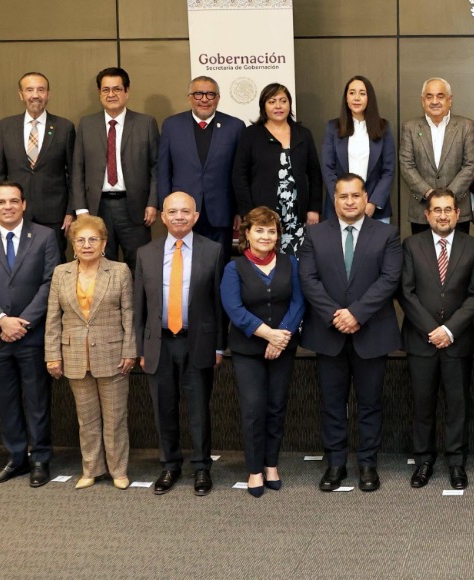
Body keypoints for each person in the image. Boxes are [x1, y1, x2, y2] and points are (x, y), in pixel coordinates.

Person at [298, 174, 402, 492]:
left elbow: (389, 279)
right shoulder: (314, 234)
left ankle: (368, 463)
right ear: (334, 200)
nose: (350, 201)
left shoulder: (387, 234)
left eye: (356, 195)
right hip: (328, 334)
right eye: (343, 196)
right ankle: (336, 464)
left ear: (366, 197)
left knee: (370, 404)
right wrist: (336, 316)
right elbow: (308, 279)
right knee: (332, 404)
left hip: (372, 332)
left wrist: (356, 313)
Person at [0, 181, 61, 487]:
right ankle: (16, 458)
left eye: (14, 201)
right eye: (1, 202)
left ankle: (40, 458)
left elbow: (50, 283)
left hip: (31, 335)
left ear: (24, 204)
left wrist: (22, 322)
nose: (8, 206)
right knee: (6, 401)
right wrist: (2, 320)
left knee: (37, 400)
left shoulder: (44, 236)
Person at [134, 192, 225, 497]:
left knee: (199, 409)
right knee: (164, 408)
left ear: (196, 216)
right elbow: (139, 306)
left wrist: (219, 347)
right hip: (158, 343)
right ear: (162, 217)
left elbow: (218, 304)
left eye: (185, 211)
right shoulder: (145, 253)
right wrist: (140, 349)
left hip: (197, 342)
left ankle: (201, 467)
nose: (179, 217)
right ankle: (170, 465)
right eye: (172, 212)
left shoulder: (213, 250)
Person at [45, 215, 136, 490]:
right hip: (74, 355)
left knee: (115, 418)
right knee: (86, 420)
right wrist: (52, 354)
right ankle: (91, 469)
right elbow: (53, 317)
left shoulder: (119, 271)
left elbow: (129, 313)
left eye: (93, 239)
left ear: (104, 243)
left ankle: (118, 470)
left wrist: (130, 350)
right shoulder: (61, 273)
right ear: (73, 245)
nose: (87, 245)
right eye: (81, 240)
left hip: (113, 354)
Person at [398, 188, 474, 490]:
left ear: (458, 214)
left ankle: (456, 462)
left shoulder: (473, 246)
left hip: (457, 340)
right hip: (421, 339)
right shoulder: (411, 245)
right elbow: (405, 292)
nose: (443, 215)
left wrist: (449, 330)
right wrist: (432, 329)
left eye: (448, 210)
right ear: (427, 214)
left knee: (457, 405)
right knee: (423, 404)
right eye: (437, 210)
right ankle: (423, 461)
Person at [221, 207, 305, 497]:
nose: (266, 236)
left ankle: (271, 465)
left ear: (278, 236)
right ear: (247, 233)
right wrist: (268, 334)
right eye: (259, 230)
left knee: (276, 406)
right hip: (247, 350)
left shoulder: (290, 263)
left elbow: (299, 303)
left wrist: (280, 338)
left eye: (271, 231)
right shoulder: (234, 268)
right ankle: (255, 469)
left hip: (283, 347)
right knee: (253, 408)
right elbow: (233, 309)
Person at [71, 67, 159, 262]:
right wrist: (81, 209)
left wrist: (153, 203)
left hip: (135, 208)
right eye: (106, 90)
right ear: (99, 93)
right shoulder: (86, 124)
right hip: (97, 208)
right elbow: (77, 168)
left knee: (139, 262)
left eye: (117, 89)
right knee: (100, 264)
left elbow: (156, 167)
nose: (111, 94)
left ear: (127, 91)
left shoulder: (145, 123)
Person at [0, 72, 77, 251]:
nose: (35, 95)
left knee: (53, 263)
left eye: (41, 90)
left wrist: (70, 212)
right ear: (21, 94)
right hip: (14, 213)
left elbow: (74, 174)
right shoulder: (5, 126)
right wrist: (0, 207)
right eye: (29, 90)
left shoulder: (64, 127)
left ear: (48, 94)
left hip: (54, 215)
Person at [232, 83, 321, 255]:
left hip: (297, 213)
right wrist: (249, 212)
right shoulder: (251, 134)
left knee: (296, 260)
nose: (278, 106)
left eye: (283, 101)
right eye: (272, 102)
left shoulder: (303, 134)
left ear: (289, 104)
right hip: (262, 214)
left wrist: (313, 208)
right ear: (263, 106)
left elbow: (314, 174)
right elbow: (239, 175)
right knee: (265, 258)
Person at [157, 76, 245, 250]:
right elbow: (164, 171)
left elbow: (239, 173)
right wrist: (165, 208)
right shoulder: (172, 125)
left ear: (218, 98)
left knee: (219, 262)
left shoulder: (235, 126)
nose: (204, 99)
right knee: (183, 261)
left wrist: (239, 210)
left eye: (210, 94)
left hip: (221, 212)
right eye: (198, 94)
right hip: (182, 212)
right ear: (189, 97)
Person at [399, 78, 474, 235]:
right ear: (423, 101)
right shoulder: (410, 127)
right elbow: (406, 165)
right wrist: (428, 193)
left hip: (456, 210)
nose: (434, 101)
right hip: (422, 210)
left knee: (459, 251)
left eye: (440, 96)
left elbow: (471, 165)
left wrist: (448, 197)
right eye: (429, 96)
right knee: (422, 251)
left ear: (450, 100)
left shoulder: (466, 126)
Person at [323, 75, 398, 224]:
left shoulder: (383, 127)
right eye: (352, 93)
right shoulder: (333, 127)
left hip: (375, 210)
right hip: (339, 209)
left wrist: (373, 203)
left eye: (362, 93)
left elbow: (388, 170)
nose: (356, 98)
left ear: (369, 98)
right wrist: (342, 200)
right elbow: (328, 169)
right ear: (346, 98)